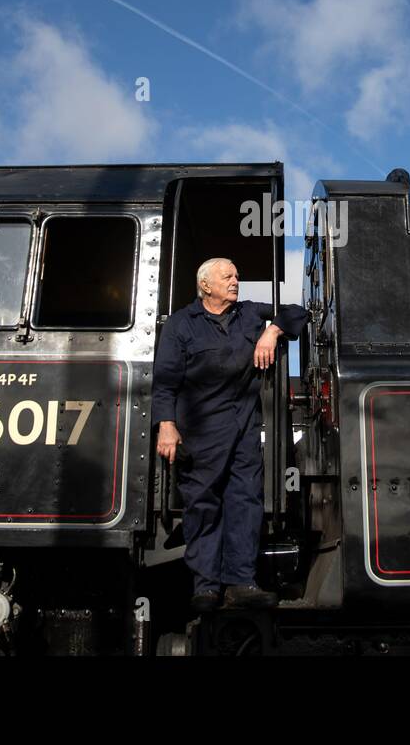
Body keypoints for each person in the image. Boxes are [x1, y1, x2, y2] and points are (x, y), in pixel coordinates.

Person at [151, 257, 308, 612]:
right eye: (228, 277)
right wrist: (166, 425)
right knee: (203, 506)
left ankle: (241, 583)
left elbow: (298, 312)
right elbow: (164, 382)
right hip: (200, 431)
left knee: (245, 504)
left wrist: (272, 330)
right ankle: (205, 588)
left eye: (237, 275)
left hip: (243, 429)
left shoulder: (250, 313)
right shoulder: (181, 324)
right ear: (206, 285)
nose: (236, 281)